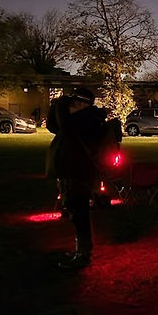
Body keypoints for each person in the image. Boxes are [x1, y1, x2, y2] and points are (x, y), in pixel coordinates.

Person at [46, 87, 107, 269]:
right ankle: (81, 251)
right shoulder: (78, 120)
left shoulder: (89, 120)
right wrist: (55, 106)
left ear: (82, 104)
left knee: (80, 212)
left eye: (73, 105)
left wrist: (61, 104)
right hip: (71, 171)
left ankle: (83, 253)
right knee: (75, 211)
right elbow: (53, 126)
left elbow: (64, 126)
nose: (69, 108)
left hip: (80, 173)